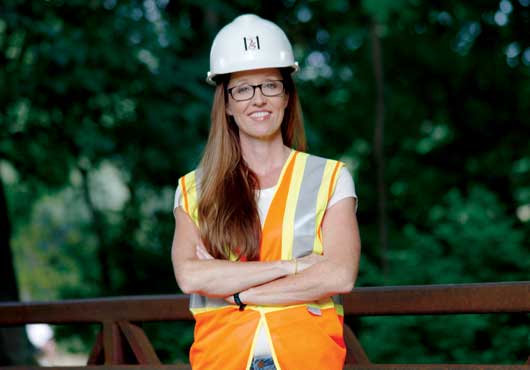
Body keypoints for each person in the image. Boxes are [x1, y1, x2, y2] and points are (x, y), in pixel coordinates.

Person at [171, 14, 361, 370]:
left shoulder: (331, 177)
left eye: (270, 85)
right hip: (222, 359)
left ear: (287, 96)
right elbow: (191, 276)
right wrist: (295, 267)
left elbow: (339, 275)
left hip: (307, 359)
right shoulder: (193, 188)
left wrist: (237, 292)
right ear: (226, 103)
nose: (258, 99)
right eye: (242, 89)